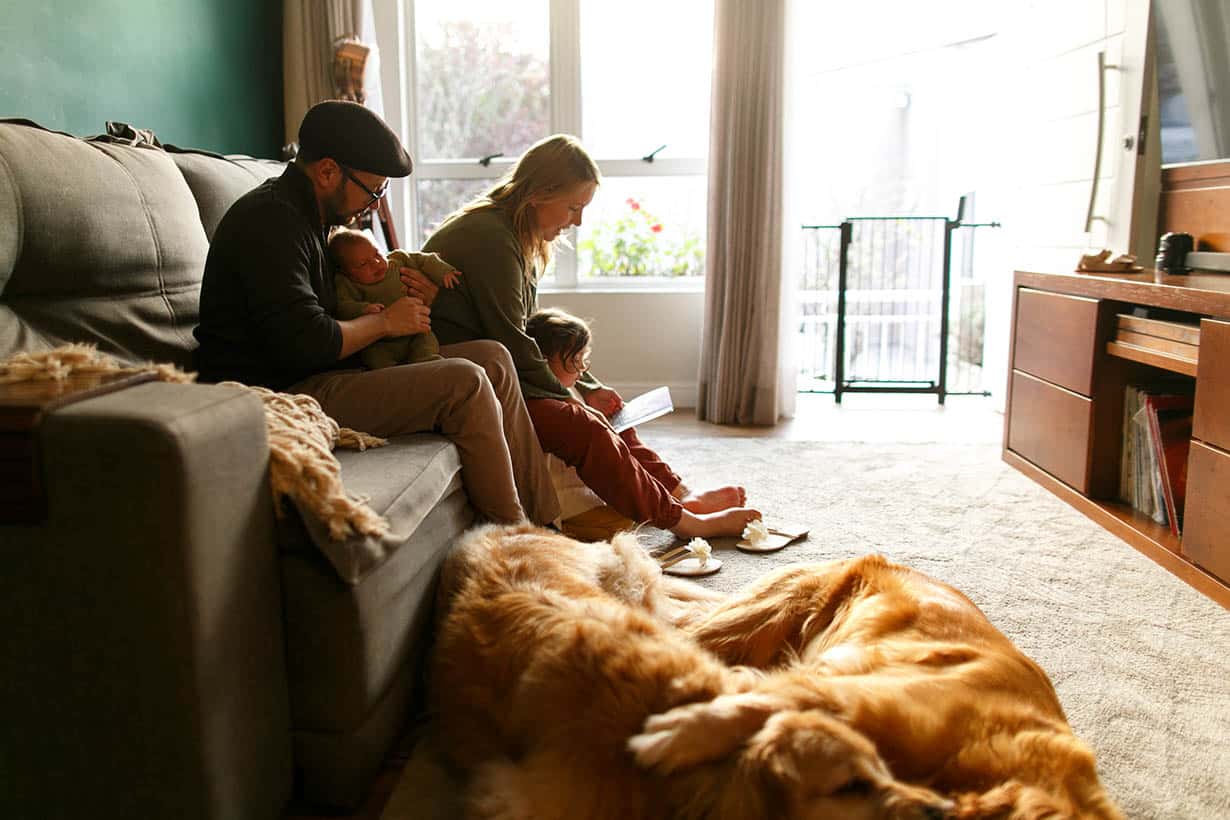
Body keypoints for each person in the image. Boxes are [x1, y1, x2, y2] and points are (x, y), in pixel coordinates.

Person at [193, 100, 559, 526]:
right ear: (328, 171)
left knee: (493, 357)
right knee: (465, 382)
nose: (372, 206)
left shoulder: (314, 218)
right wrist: (386, 322)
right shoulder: (271, 222)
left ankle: (549, 527)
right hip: (279, 392)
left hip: (329, 372)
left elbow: (338, 304)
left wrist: (408, 294)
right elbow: (309, 341)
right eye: (373, 191)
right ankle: (515, 540)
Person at [424, 134, 759, 539]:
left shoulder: (513, 236)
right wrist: (570, 398)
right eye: (573, 207)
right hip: (476, 379)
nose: (577, 221)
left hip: (502, 370)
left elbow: (533, 334)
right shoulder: (490, 238)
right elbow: (512, 338)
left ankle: (679, 494)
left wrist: (589, 385)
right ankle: (686, 523)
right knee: (585, 424)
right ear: (539, 193)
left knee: (607, 406)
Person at [329, 227, 460, 368]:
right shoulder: (346, 283)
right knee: (373, 356)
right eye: (363, 264)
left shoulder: (398, 259)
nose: (376, 263)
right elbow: (343, 306)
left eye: (377, 254)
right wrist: (363, 309)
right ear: (346, 272)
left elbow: (424, 260)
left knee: (426, 340)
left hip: (415, 331)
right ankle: (391, 373)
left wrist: (443, 271)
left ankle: (425, 361)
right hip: (380, 341)